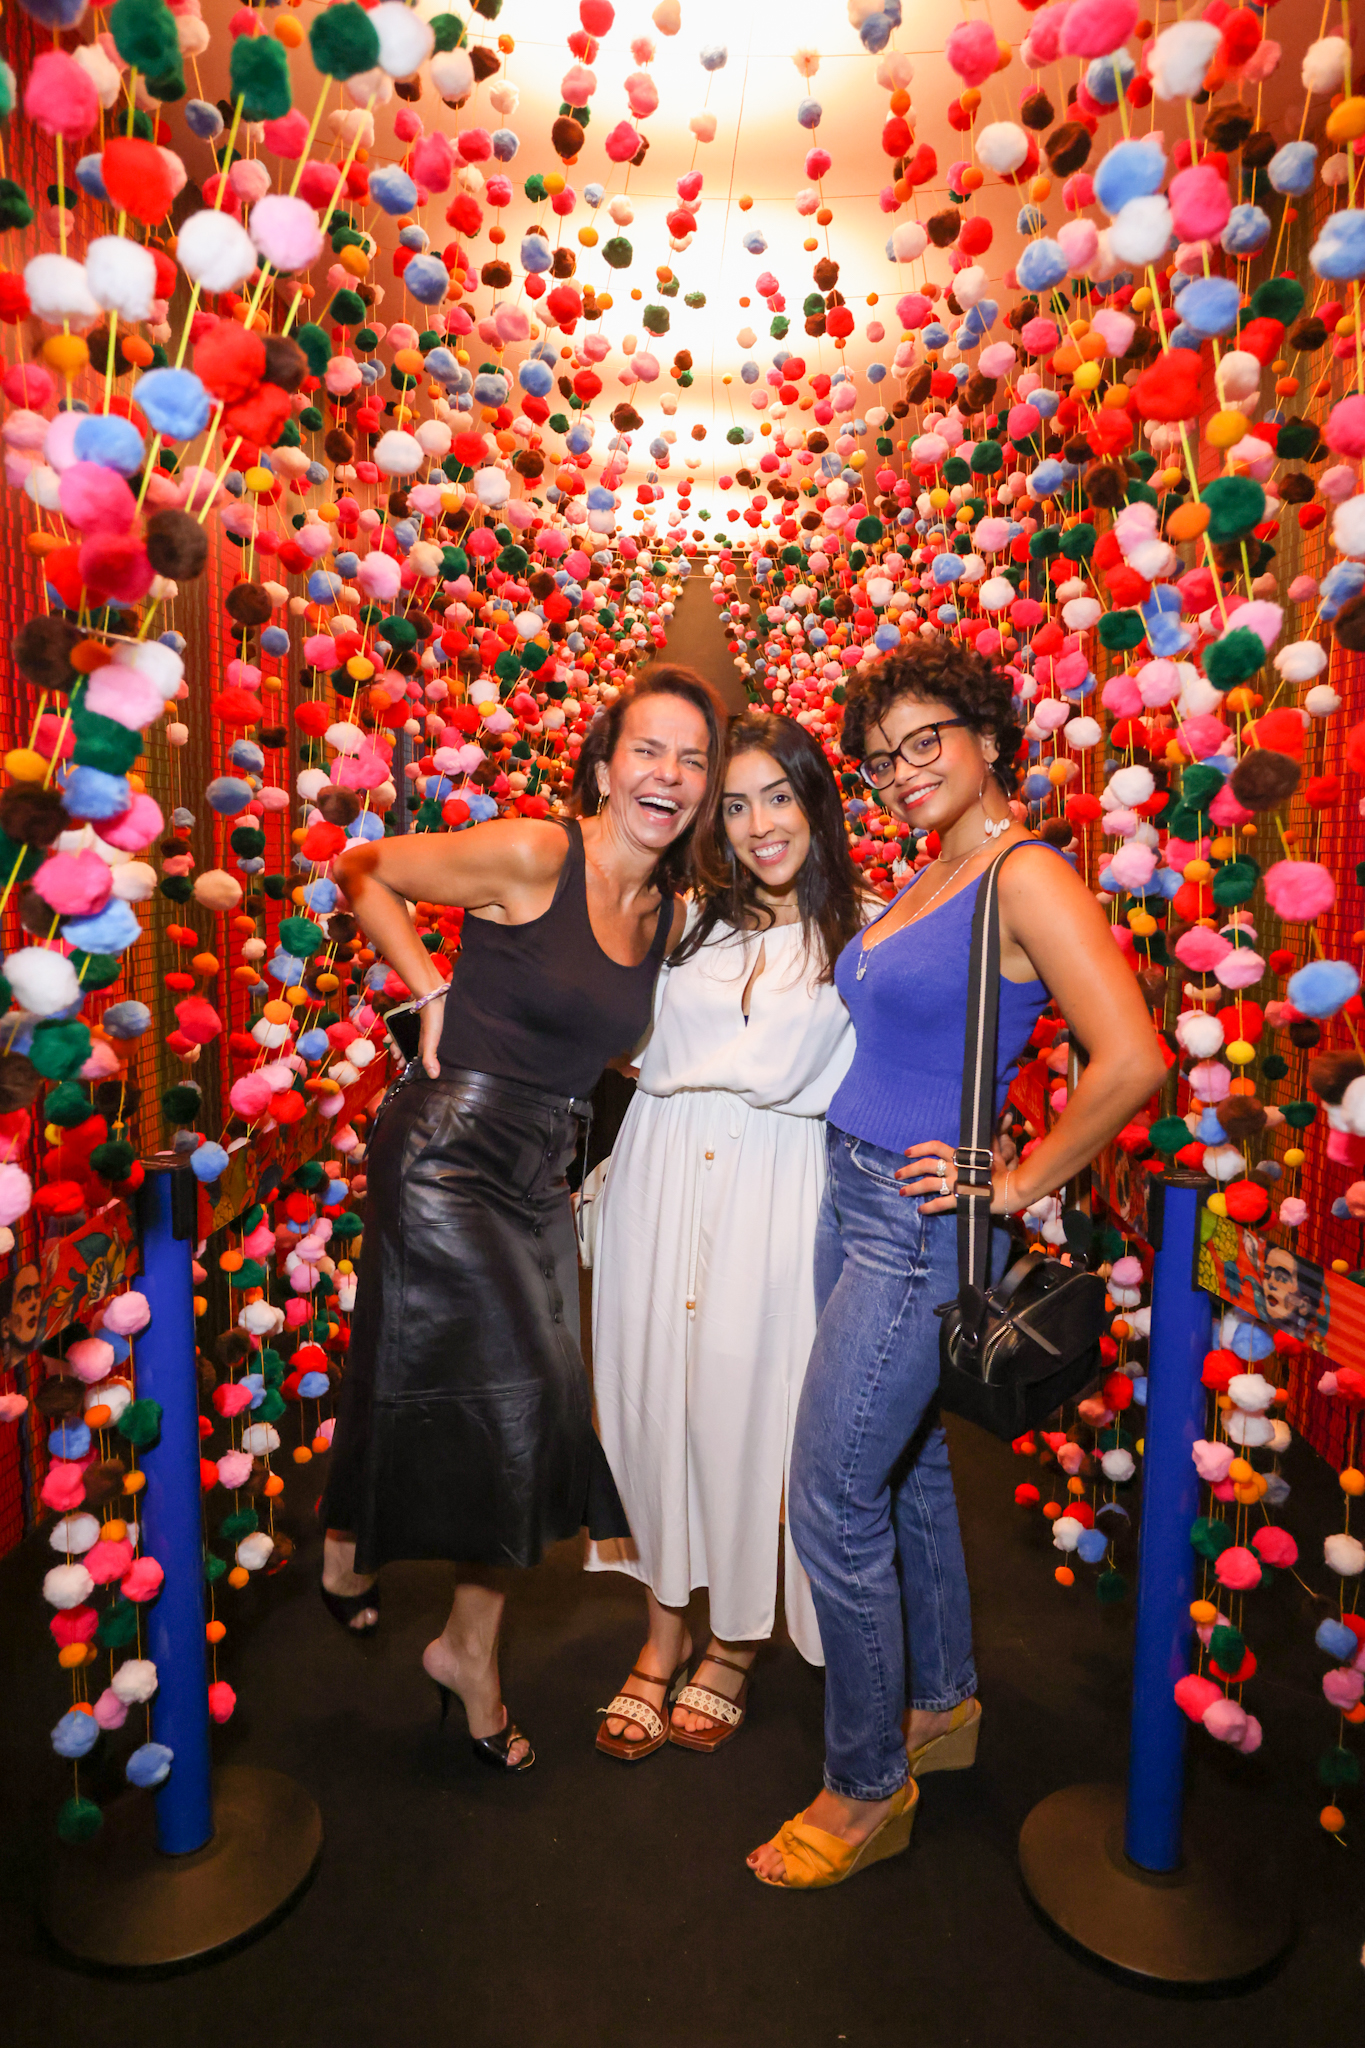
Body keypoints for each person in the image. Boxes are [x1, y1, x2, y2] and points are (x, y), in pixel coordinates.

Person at [748, 639, 1167, 1886]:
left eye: (926, 740)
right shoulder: (938, 868)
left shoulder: (1026, 872)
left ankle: (865, 1784)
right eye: (882, 758)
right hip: (854, 1189)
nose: (901, 771)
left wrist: (1022, 1177)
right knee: (911, 1467)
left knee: (828, 1495)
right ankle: (946, 1704)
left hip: (920, 1215)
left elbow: (1133, 1057)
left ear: (988, 735)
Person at [321, 666, 727, 1773]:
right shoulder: (540, 853)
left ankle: (408, 1593)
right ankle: (451, 1637)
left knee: (526, 1408)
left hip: (541, 1164)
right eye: (649, 749)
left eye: (692, 760)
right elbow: (361, 868)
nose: (670, 774)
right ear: (605, 765)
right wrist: (428, 989)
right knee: (520, 1398)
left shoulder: (666, 909)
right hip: (451, 1149)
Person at [588, 714, 865, 1760]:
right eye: (736, 803)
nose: (758, 825)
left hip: (781, 1188)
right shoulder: (685, 920)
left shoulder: (867, 934)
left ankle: (736, 1640)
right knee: (652, 1405)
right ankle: (661, 1634)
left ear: (816, 802)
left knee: (756, 1415)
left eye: (778, 797)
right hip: (660, 1175)